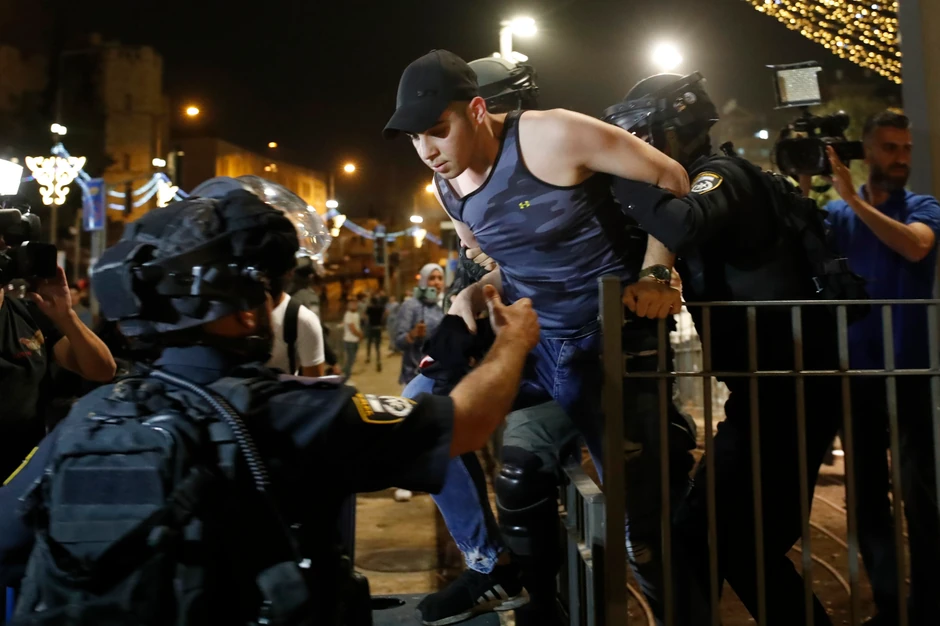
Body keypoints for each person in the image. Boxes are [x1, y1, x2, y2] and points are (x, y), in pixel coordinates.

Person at [0, 178, 542, 625]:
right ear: (237, 308)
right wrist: (513, 341)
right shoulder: (287, 413)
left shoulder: (87, 421)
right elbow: (466, 424)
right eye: (259, 288)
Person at [386, 51, 693, 625]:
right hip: (534, 344)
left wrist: (656, 271)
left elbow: (672, 178)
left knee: (640, 532)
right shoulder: (445, 183)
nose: (427, 150)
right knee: (413, 417)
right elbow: (495, 258)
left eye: (437, 130)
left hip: (605, 343)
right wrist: (470, 298)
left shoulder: (550, 135)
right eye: (414, 138)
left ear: (477, 110)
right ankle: (489, 563)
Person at [602, 72, 859, 625]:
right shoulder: (706, 177)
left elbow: (684, 222)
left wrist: (615, 176)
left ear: (677, 128)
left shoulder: (721, 176)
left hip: (788, 391)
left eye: (642, 136)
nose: (635, 150)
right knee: (722, 539)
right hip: (769, 393)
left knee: (722, 537)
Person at [816, 110, 940, 626]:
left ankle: (930, 604)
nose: (901, 158)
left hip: (912, 374)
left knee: (923, 500)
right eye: (890, 148)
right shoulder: (835, 215)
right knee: (868, 499)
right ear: (867, 152)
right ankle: (889, 605)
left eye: (906, 148)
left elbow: (914, 245)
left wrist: (850, 200)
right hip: (858, 376)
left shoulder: (924, 206)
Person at [1, 213, 116, 480]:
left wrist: (66, 315)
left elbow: (102, 370)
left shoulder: (32, 316)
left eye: (6, 249)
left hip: (21, 481)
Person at [394, 263, 445, 387]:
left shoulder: (444, 305)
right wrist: (412, 335)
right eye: (432, 278)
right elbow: (398, 342)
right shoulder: (410, 305)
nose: (437, 282)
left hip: (439, 375)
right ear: (422, 281)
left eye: (440, 278)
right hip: (414, 375)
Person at [364, 290, 386, 372]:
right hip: (378, 327)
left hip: (371, 327)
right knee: (377, 346)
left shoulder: (369, 308)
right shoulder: (380, 308)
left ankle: (368, 357)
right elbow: (386, 313)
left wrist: (368, 321)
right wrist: (382, 320)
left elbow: (365, 315)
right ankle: (378, 361)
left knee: (369, 343)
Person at [342, 296, 363, 379]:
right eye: (352, 303)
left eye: (355, 303)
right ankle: (345, 378)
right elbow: (352, 329)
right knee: (350, 360)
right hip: (349, 340)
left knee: (352, 359)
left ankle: (346, 374)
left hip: (355, 340)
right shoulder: (348, 315)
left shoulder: (356, 314)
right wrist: (360, 335)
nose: (354, 305)